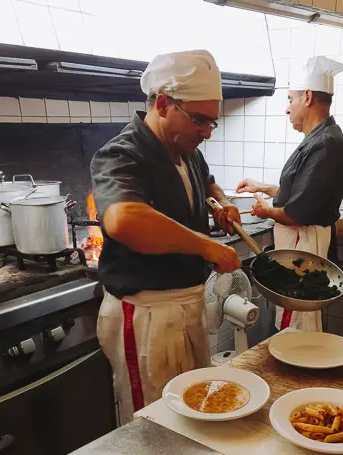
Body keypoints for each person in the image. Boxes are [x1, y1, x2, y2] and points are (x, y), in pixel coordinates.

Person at [91, 49, 241, 424]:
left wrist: (221, 204)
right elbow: (124, 219)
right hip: (147, 314)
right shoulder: (122, 154)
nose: (206, 133)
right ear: (162, 103)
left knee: (191, 414)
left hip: (187, 306)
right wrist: (206, 245)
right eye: (200, 121)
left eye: (213, 124)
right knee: (152, 422)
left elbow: (206, 183)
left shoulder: (184, 148)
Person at [236, 55, 343, 332]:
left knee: (296, 318)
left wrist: (265, 211)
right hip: (302, 239)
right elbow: (302, 194)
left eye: (290, 99)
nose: (287, 109)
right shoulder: (322, 138)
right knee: (300, 316)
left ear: (308, 97)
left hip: (302, 242)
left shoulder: (323, 143)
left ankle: (298, 371)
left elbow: (296, 213)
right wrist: (262, 187)